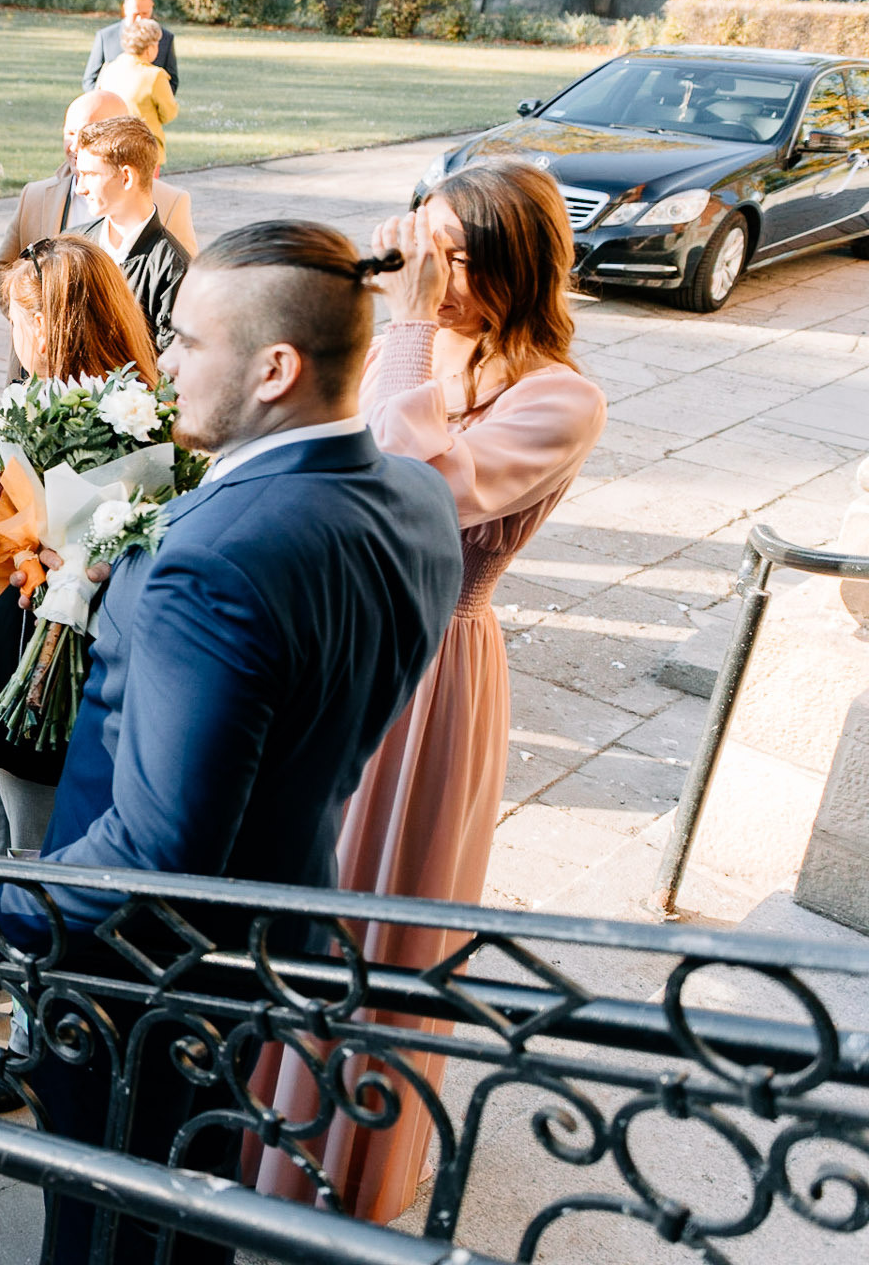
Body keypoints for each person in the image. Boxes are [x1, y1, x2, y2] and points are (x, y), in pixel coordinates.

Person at [0, 220, 464, 1265]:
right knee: (194, 1202)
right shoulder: (417, 498)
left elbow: (153, 845)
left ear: (275, 369)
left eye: (186, 340)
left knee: (106, 1231)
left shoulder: (212, 556)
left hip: (141, 973)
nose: (166, 362)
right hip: (263, 936)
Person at [254, 162, 605, 1225]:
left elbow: (397, 484)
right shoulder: (411, 343)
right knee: (295, 889)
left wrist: (406, 331)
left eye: (455, 256)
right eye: (427, 246)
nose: (431, 275)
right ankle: (255, 1120)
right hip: (338, 645)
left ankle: (341, 1160)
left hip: (433, 666)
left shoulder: (560, 398)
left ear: (512, 266)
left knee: (381, 908)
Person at [0, 233, 158, 1030]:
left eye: (25, 315)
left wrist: (67, 552)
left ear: (66, 320)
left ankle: (37, 1021)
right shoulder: (24, 404)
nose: (16, 332)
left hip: (44, 661)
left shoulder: (129, 426)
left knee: (37, 850)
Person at [0, 91, 197, 317]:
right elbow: (1, 270)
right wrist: (36, 321)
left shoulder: (171, 206)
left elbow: (183, 290)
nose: (75, 146)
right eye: (70, 133)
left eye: (88, 134)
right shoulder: (36, 196)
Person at [71, 114, 188, 345]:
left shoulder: (173, 270)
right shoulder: (75, 246)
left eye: (90, 175)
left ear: (126, 177)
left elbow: (169, 360)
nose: (79, 189)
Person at [84, 0, 180, 93]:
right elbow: (89, 81)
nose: (140, 19)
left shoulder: (165, 38)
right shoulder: (106, 37)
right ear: (125, 9)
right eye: (135, 14)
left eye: (145, 13)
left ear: (152, 8)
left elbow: (172, 82)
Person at [97, 15, 179, 143]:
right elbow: (169, 113)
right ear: (150, 48)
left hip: (113, 142)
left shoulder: (109, 69)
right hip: (145, 145)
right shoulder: (155, 75)